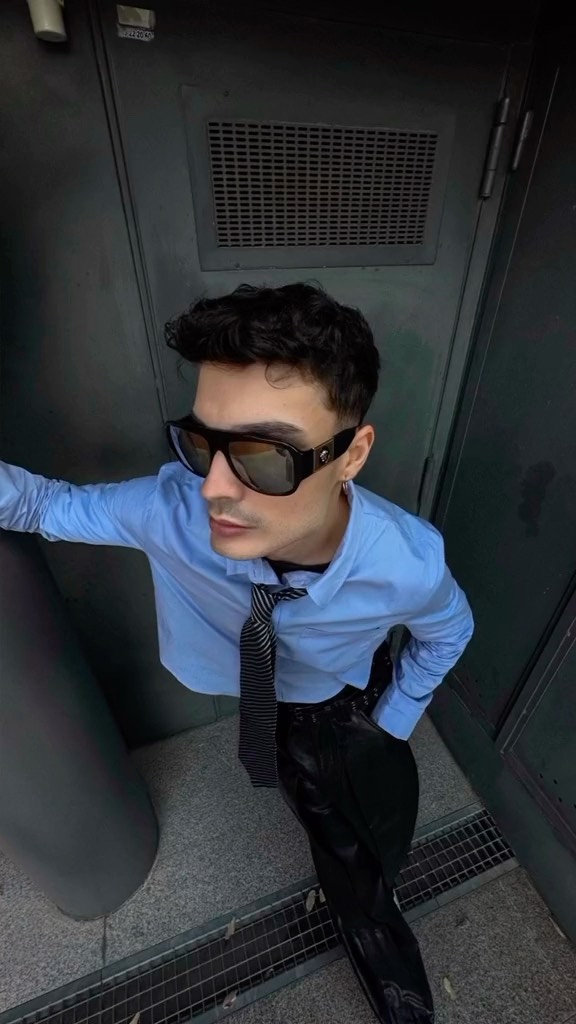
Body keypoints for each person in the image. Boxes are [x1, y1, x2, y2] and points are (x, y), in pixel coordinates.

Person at [0, 283, 473, 1023]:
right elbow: (45, 506)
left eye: (265, 455)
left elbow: (449, 629)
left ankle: (395, 980)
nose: (215, 489)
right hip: (266, 706)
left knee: (363, 855)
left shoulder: (405, 563)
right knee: (307, 803)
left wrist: (394, 719)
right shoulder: (171, 509)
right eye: (203, 444)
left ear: (351, 454)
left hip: (344, 707)